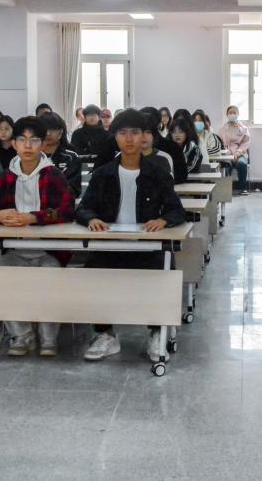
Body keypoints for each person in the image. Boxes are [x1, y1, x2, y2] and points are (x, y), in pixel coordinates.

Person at [76, 109, 185, 363]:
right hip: (110, 246)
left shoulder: (158, 173)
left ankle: (157, 332)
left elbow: (177, 210)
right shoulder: (103, 174)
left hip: (147, 247)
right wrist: (91, 218)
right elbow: (82, 208)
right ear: (115, 137)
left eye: (135, 133)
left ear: (144, 136)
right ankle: (105, 334)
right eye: (123, 133)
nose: (129, 139)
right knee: (93, 271)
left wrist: (163, 220)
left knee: (163, 270)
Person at [0, 115, 75, 358]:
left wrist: (34, 217)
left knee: (50, 280)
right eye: (22, 140)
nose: (28, 146)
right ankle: (21, 335)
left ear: (43, 143)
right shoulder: (6, 176)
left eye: (34, 140)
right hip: (14, 251)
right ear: (14, 144)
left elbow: (67, 210)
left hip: (49, 252)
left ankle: (48, 337)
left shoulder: (53, 175)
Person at [39, 112, 82, 197]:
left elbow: (74, 190)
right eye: (44, 129)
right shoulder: (31, 155)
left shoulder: (71, 158)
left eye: (52, 129)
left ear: (60, 132)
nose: (48, 133)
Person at [218, 105, 251, 195]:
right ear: (227, 115)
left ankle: (243, 188)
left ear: (238, 114)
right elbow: (221, 144)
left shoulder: (244, 129)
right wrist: (229, 154)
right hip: (227, 154)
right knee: (226, 164)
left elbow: (245, 143)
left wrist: (237, 153)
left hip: (240, 154)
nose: (232, 114)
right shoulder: (223, 129)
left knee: (242, 164)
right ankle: (226, 188)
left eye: (234, 112)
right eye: (230, 113)